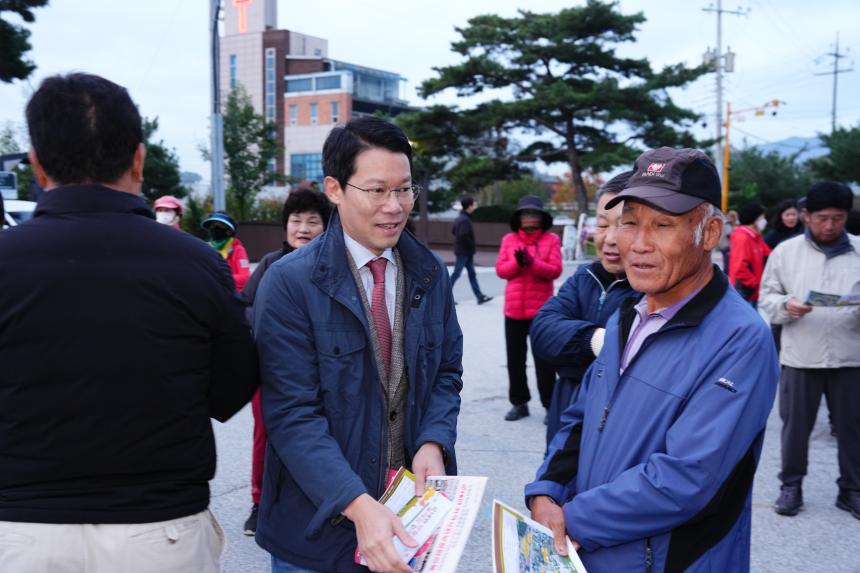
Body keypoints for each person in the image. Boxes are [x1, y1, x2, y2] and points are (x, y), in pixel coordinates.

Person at [0, 72, 259, 572]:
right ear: (138, 160)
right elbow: (231, 390)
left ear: (36, 164)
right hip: (160, 530)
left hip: (20, 530)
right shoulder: (198, 263)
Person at [525, 147, 779, 572]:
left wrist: (573, 518)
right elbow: (582, 417)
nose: (639, 245)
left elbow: (686, 479)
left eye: (662, 225)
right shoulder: (630, 314)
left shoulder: (739, 338)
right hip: (592, 549)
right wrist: (547, 490)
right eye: (629, 223)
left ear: (710, 233)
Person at [253, 116, 464, 573]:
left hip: (409, 522)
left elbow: (446, 373)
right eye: (377, 191)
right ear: (334, 189)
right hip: (316, 532)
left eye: (404, 189)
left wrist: (433, 441)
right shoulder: (290, 282)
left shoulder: (429, 273)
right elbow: (291, 413)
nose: (395, 206)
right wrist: (356, 503)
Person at [759, 181, 860, 520]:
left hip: (851, 357)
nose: (830, 226)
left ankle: (851, 489)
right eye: (822, 218)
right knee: (795, 428)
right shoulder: (785, 253)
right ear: (806, 216)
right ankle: (791, 486)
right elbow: (766, 300)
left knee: (853, 427)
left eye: (838, 218)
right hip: (801, 357)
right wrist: (787, 305)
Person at [239, 187, 332, 536]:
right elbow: (243, 306)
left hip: (322, 372)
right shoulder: (269, 265)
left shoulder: (330, 269)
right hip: (272, 371)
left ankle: (320, 499)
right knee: (265, 435)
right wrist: (269, 320)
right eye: (296, 220)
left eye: (312, 221)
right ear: (285, 226)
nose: (303, 227)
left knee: (319, 436)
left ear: (327, 227)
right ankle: (259, 503)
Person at [531, 171, 635, 444]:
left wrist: (570, 353)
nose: (610, 238)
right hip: (564, 421)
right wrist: (599, 341)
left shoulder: (653, 292)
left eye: (624, 225)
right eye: (602, 225)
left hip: (613, 431)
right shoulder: (584, 278)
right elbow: (542, 330)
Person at [496, 195, 563, 422]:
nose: (529, 217)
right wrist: (518, 262)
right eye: (525, 214)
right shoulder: (509, 239)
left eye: (534, 213)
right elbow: (501, 271)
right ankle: (519, 403)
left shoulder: (551, 239)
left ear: (541, 217)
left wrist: (532, 263)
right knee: (515, 359)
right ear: (519, 217)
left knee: (544, 360)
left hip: (541, 312)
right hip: (513, 311)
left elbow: (555, 270)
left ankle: (550, 405)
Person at [450, 196, 492, 304]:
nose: (475, 206)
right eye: (474, 204)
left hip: (465, 252)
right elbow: (462, 235)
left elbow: (454, 231)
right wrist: (472, 245)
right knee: (456, 274)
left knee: (471, 274)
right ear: (469, 206)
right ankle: (443, 297)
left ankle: (479, 297)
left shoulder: (461, 218)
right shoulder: (465, 220)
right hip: (464, 252)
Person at [728, 202, 771, 306]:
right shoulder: (742, 238)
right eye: (762, 217)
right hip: (746, 294)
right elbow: (739, 268)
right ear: (755, 219)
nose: (764, 221)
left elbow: (771, 255)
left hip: (754, 294)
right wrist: (756, 284)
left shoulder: (756, 238)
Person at [202, 210, 251, 292]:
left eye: (219, 226)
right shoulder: (205, 248)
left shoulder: (238, 250)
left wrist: (219, 278)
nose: (213, 228)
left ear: (229, 230)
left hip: (230, 296)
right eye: (212, 225)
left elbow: (245, 278)